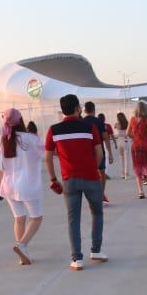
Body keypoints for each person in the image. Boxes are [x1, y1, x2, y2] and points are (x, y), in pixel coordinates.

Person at [44, 93, 107, 270]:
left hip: (69, 180)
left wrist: (53, 179)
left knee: (74, 219)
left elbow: (48, 158)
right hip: (91, 178)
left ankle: (77, 259)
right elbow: (99, 153)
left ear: (62, 110)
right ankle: (96, 250)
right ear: (77, 108)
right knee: (97, 213)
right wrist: (92, 168)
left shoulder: (53, 130)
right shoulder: (88, 128)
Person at [0, 107, 45, 265]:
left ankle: (23, 253)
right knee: (36, 218)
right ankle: (22, 245)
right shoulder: (31, 138)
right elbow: (46, 153)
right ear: (20, 120)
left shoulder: (2, 139)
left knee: (19, 218)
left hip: (8, 185)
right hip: (28, 184)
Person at [83, 101, 112, 204]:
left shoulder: (81, 122)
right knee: (102, 173)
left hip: (87, 153)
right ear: (94, 110)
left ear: (85, 110)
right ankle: (101, 194)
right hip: (100, 151)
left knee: (90, 174)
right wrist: (110, 153)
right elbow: (106, 138)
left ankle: (92, 195)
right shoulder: (99, 122)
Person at [128, 103, 147, 198]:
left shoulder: (132, 119)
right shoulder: (146, 119)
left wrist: (135, 137)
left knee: (138, 168)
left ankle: (140, 192)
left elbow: (127, 133)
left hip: (135, 146)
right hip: (145, 145)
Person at [115, 111, 131, 178]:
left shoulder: (117, 124)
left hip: (119, 140)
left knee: (121, 157)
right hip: (125, 140)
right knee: (126, 158)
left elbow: (115, 127)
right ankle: (126, 173)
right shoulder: (127, 123)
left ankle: (122, 174)